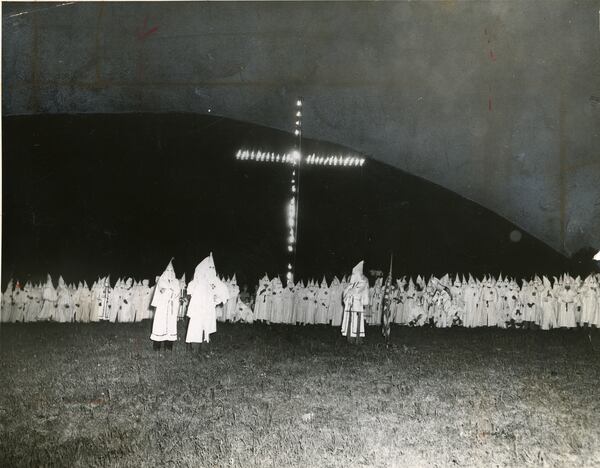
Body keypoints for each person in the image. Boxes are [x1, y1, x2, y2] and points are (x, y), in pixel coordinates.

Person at [185, 253, 229, 349]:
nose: (211, 271)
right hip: (198, 308)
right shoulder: (199, 280)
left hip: (208, 307)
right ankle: (193, 347)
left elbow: (222, 290)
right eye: (209, 268)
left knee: (206, 326)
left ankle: (202, 346)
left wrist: (217, 298)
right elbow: (191, 289)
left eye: (213, 268)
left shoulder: (213, 280)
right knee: (196, 326)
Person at [150, 260, 181, 351]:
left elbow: (177, 291)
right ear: (165, 271)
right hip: (162, 307)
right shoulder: (162, 280)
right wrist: (170, 291)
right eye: (168, 271)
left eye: (172, 271)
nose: (170, 273)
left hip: (172, 306)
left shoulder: (175, 281)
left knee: (171, 325)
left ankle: (168, 346)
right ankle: (157, 347)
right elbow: (162, 291)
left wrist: (169, 291)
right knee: (160, 325)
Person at [341, 261, 370, 343]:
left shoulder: (363, 283)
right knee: (350, 321)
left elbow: (357, 291)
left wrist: (350, 292)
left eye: (355, 274)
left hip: (357, 305)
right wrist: (347, 295)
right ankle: (350, 338)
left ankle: (357, 339)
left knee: (356, 321)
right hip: (350, 305)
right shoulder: (350, 285)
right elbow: (345, 293)